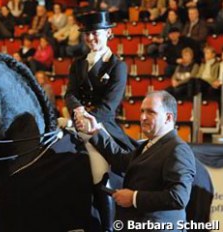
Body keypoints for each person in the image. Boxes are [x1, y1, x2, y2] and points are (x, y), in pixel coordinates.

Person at [75, 90, 196, 231]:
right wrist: (94, 131)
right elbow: (120, 159)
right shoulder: (148, 145)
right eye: (142, 111)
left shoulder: (178, 149)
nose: (143, 117)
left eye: (151, 112)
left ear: (168, 118)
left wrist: (134, 198)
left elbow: (178, 197)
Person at [65, 10, 136, 231]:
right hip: (77, 122)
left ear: (108, 33)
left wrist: (87, 120)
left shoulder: (117, 66)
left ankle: (107, 225)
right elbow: (70, 93)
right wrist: (76, 109)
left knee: (100, 172)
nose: (90, 38)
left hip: (101, 126)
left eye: (95, 33)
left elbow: (109, 106)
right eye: (87, 34)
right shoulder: (78, 64)